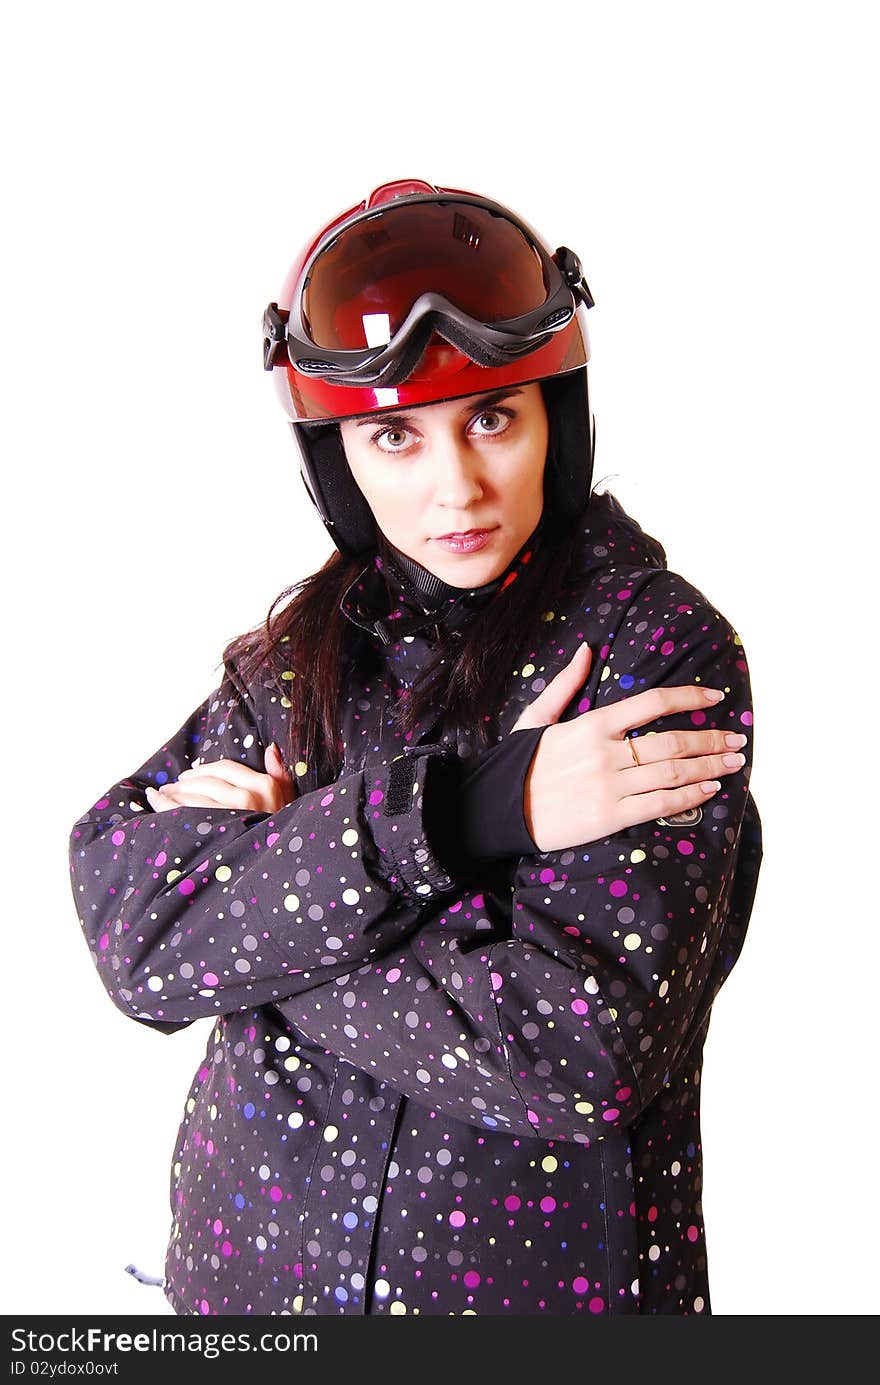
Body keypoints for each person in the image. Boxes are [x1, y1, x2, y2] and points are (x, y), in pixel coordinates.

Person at [68, 178, 762, 1317]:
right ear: (340, 459)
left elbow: (576, 1050)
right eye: (395, 435)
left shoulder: (650, 645)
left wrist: (272, 909)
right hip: (244, 1296)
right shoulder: (297, 654)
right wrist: (469, 813)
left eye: (492, 417)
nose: (457, 486)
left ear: (557, 418)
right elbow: (133, 942)